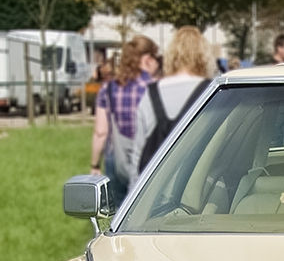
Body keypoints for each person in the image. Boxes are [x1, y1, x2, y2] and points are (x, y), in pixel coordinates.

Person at [130, 27, 211, 181]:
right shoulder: (211, 92)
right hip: (196, 187)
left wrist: (133, 193)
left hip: (154, 188)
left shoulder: (151, 94)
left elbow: (138, 154)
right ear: (204, 56)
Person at [90, 34, 158, 205]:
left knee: (120, 212)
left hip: (117, 158)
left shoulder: (109, 88)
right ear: (148, 59)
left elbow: (101, 131)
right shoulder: (155, 88)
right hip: (149, 156)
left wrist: (95, 164)